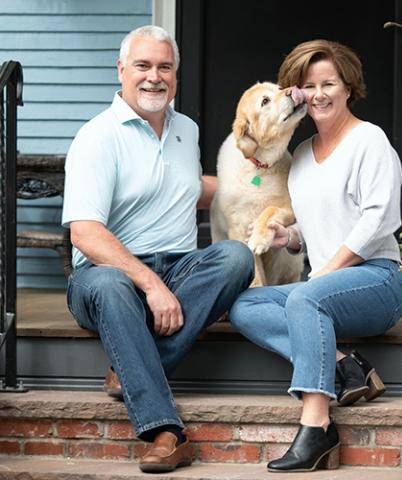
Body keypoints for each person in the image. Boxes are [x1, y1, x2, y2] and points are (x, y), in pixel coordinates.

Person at [62, 25, 254, 473]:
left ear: (176, 74)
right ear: (121, 70)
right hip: (107, 275)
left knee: (236, 257)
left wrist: (267, 184)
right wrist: (149, 283)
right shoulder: (98, 137)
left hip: (180, 268)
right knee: (111, 284)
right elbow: (85, 234)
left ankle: (128, 364)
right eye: (143, 66)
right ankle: (165, 431)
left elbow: (193, 190)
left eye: (164, 67)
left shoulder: (186, 129)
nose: (154, 77)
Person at [229, 39, 402, 473]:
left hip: (377, 280)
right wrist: (287, 237)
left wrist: (324, 273)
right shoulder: (303, 154)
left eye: (330, 83)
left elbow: (378, 220)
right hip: (324, 290)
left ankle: (317, 426)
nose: (320, 93)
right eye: (309, 85)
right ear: (298, 92)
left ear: (349, 87)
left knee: (303, 298)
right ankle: (348, 367)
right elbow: (310, 229)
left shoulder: (370, 140)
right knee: (243, 304)